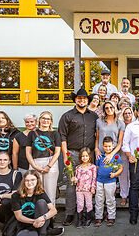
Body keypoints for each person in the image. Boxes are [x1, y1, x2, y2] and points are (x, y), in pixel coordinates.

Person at [58, 89, 99, 226]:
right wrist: (65, 155)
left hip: (90, 154)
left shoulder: (93, 116)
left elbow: (97, 135)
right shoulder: (67, 116)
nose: (82, 100)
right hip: (73, 153)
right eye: (79, 98)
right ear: (75, 100)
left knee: (90, 183)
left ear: (88, 100)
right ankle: (70, 213)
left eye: (85, 98)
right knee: (72, 183)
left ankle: (88, 211)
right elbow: (62, 136)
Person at [25, 111, 61, 204]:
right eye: (43, 118)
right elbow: (28, 153)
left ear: (51, 122)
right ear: (39, 120)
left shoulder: (55, 134)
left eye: (48, 119)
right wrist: (34, 166)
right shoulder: (32, 134)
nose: (45, 120)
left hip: (50, 163)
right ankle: (37, 212)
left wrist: (48, 166)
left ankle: (51, 215)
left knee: (50, 191)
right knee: (35, 190)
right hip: (35, 162)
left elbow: (57, 152)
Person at [11, 170, 59, 236]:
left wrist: (42, 218)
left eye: (32, 180)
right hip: (26, 223)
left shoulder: (41, 193)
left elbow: (54, 211)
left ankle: (43, 232)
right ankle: (46, 232)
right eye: (27, 180)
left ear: (37, 181)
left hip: (42, 221)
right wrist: (35, 221)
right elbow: (19, 217)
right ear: (23, 182)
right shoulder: (16, 195)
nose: (29, 183)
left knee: (41, 202)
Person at [94, 137, 123, 227]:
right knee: (99, 199)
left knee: (110, 199)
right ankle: (98, 217)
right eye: (106, 146)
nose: (108, 148)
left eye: (109, 146)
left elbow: (121, 168)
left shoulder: (116, 157)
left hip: (110, 181)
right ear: (102, 146)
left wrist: (115, 174)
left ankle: (111, 217)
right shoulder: (100, 157)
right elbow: (97, 168)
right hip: (99, 181)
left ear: (113, 146)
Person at [71, 148, 96, 228]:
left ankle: (88, 219)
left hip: (88, 189)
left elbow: (94, 179)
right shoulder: (78, 168)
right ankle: (80, 220)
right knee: (80, 204)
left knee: (88, 204)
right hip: (79, 189)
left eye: (86, 156)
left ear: (89, 156)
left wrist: (93, 188)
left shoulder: (93, 167)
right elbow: (77, 178)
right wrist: (74, 180)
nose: (84, 158)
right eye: (82, 156)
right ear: (80, 157)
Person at [119, 106, 135, 206]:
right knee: (123, 175)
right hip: (122, 153)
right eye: (125, 113)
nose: (127, 115)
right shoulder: (120, 125)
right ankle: (124, 196)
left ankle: (132, 195)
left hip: (133, 153)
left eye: (129, 113)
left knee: (133, 175)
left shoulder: (135, 125)